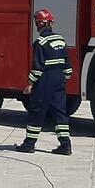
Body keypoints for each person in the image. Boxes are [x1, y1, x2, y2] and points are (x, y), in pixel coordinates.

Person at [16, 9, 73, 155]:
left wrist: (30, 84)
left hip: (46, 78)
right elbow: (67, 64)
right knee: (60, 111)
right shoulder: (60, 39)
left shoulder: (40, 42)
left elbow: (38, 67)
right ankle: (65, 145)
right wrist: (64, 79)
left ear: (39, 24)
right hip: (59, 77)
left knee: (37, 109)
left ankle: (29, 144)